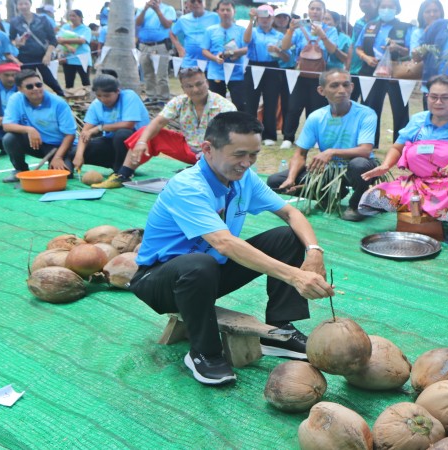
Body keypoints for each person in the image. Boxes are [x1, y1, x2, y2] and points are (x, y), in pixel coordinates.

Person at [130, 111, 333, 386]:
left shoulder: (244, 178)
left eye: (254, 155)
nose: (247, 163)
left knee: (288, 237)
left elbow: (290, 213)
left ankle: (279, 329)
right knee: (200, 263)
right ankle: (204, 353)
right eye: (239, 154)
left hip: (210, 274)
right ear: (208, 149)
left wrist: (314, 251)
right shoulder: (188, 186)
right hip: (159, 280)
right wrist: (296, 276)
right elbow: (224, 244)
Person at [359, 75, 448, 245]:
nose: (438, 102)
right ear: (427, 97)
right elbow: (397, 147)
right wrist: (386, 166)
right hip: (418, 184)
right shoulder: (418, 120)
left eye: (446, 97)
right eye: (433, 97)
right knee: (375, 194)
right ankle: (428, 215)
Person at [93, 68, 236, 189]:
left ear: (207, 82)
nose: (196, 89)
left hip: (213, 153)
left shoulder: (224, 106)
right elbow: (158, 122)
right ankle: (123, 174)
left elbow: (231, 141)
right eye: (189, 86)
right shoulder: (179, 101)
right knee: (146, 132)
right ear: (183, 88)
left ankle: (201, 171)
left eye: (199, 84)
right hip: (189, 148)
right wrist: (142, 142)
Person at [267, 69, 378, 222]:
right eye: (334, 86)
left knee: (358, 164)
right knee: (275, 181)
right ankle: (333, 192)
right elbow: (300, 154)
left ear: (352, 87)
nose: (342, 90)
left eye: (346, 85)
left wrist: (331, 152)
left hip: (358, 168)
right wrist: (291, 178)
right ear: (321, 90)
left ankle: (356, 204)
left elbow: (365, 150)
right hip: (329, 172)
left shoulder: (366, 114)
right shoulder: (316, 117)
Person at [279, 0, 339, 150]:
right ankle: (288, 137)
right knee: (293, 107)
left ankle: (315, 138)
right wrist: (290, 30)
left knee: (317, 109)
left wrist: (323, 36)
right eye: (312, 8)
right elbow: (284, 47)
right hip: (300, 75)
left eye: (319, 9)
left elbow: (332, 50)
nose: (315, 11)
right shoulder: (299, 29)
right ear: (308, 11)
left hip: (320, 76)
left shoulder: (330, 30)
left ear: (324, 12)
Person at [355, 0, 413, 147]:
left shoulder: (405, 27)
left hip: (396, 74)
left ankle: (399, 147)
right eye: (383, 6)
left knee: (400, 109)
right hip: (370, 72)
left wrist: (398, 48)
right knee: (369, 109)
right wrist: (366, 58)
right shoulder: (370, 26)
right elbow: (358, 47)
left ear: (397, 9)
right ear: (378, 8)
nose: (386, 9)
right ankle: (369, 144)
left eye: (390, 7)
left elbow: (411, 51)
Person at [1, 70, 77, 182]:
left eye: (38, 84)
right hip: (36, 143)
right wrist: (29, 129)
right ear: (20, 89)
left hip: (58, 146)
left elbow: (70, 134)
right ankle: (20, 170)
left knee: (64, 175)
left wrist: (58, 157)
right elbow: (7, 125)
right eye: (29, 86)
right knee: (9, 138)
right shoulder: (16, 99)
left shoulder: (58, 103)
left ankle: (58, 161)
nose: (36, 88)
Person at [72, 73, 149, 175]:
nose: (103, 99)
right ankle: (69, 171)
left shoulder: (129, 96)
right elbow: (85, 132)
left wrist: (99, 128)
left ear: (117, 91)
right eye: (99, 96)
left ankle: (123, 171)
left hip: (137, 146)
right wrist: (79, 155)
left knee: (122, 134)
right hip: (112, 143)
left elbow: (129, 124)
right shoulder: (96, 105)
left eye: (107, 96)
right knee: (74, 152)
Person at [243, 5, 289, 146]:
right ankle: (250, 133)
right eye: (261, 16)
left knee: (271, 102)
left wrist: (278, 51)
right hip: (253, 66)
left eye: (267, 16)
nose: (264, 19)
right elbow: (246, 40)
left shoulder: (279, 35)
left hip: (272, 68)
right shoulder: (253, 32)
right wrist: (250, 20)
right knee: (251, 102)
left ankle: (269, 135)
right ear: (257, 17)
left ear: (272, 18)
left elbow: (286, 57)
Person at [10, 0, 65, 97]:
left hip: (42, 55)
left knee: (50, 80)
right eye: (20, 4)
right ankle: (27, 102)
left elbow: (53, 39)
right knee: (26, 81)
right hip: (24, 56)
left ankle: (62, 97)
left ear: (30, 4)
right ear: (17, 6)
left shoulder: (42, 19)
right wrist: (17, 43)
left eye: (26, 3)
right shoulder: (14, 21)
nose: (23, 6)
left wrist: (48, 55)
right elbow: (11, 39)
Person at [201, 0, 247, 112]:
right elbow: (204, 50)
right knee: (216, 105)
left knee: (239, 104)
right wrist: (215, 58)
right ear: (218, 11)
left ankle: (239, 127)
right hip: (216, 72)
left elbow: (247, 48)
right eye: (222, 10)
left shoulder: (241, 30)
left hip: (236, 73)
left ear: (234, 12)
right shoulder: (210, 30)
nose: (225, 12)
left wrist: (234, 53)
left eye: (228, 10)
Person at [136, 0, 176, 106]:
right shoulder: (141, 9)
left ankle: (163, 97)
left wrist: (158, 10)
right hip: (144, 45)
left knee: (161, 74)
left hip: (160, 45)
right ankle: (151, 96)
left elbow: (167, 25)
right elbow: (137, 23)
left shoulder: (168, 9)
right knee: (147, 73)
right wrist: (145, 10)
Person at [411, 0, 444, 110]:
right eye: (428, 11)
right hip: (429, 80)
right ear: (422, 14)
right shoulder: (418, 33)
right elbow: (415, 57)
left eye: (435, 11)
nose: (432, 14)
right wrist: (427, 34)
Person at [170, 0, 220, 69]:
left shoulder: (215, 17)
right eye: (193, 1)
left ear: (204, 3)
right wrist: (179, 49)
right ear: (188, 4)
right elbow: (172, 33)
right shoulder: (183, 19)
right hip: (189, 63)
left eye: (199, 1)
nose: (196, 3)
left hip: (210, 64)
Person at [349, 0, 379, 102]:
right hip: (354, 69)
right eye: (361, 1)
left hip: (371, 70)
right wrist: (348, 66)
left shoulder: (381, 21)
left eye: (367, 1)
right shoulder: (358, 22)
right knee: (350, 101)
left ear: (376, 3)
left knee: (368, 103)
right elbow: (353, 45)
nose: (363, 4)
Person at [57, 10, 92, 89]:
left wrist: (64, 41)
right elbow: (59, 39)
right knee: (69, 82)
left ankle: (86, 98)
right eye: (70, 16)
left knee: (85, 81)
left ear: (80, 17)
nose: (72, 18)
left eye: (74, 16)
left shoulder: (86, 29)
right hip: (68, 57)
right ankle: (70, 99)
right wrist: (68, 46)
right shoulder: (65, 27)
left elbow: (82, 41)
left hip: (83, 58)